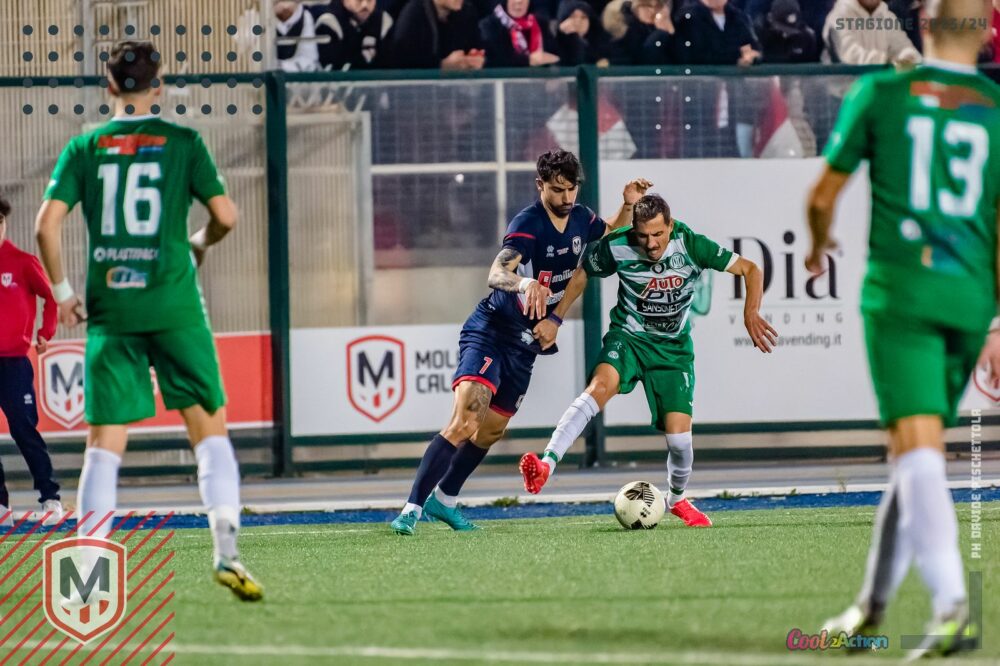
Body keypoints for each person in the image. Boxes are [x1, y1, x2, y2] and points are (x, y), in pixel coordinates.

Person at [35, 41, 262, 601]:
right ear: (159, 85)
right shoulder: (184, 142)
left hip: (113, 309)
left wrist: (62, 294)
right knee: (208, 429)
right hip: (174, 305)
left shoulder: (84, 147)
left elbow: (45, 225)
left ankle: (87, 577)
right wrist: (197, 243)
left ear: (109, 85)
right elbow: (226, 217)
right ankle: (227, 551)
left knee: (103, 443)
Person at [806, 0, 997, 656]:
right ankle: (871, 607)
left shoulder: (881, 93)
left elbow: (821, 196)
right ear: (988, 30)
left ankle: (952, 607)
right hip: (971, 299)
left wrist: (817, 245)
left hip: (903, 294)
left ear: (924, 24)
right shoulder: (996, 108)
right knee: (915, 451)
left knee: (917, 452)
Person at [389, 150, 651, 535]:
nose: (566, 197)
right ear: (540, 185)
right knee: (466, 419)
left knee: (490, 431)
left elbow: (609, 230)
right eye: (557, 190)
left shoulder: (581, 218)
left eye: (572, 189)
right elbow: (497, 272)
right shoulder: (527, 224)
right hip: (492, 331)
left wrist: (627, 206)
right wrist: (526, 283)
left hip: (525, 345)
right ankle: (411, 509)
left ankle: (444, 500)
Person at [519, 194, 776, 527]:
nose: (651, 244)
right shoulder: (618, 245)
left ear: (670, 225)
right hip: (628, 338)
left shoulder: (692, 245)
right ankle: (546, 465)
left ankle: (677, 500)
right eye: (643, 236)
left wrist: (750, 312)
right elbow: (583, 273)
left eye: (658, 234)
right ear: (634, 230)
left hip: (672, 351)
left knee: (679, 442)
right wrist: (555, 318)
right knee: (599, 387)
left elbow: (751, 269)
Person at [0, 196, 62, 528]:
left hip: (13, 363)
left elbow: (51, 298)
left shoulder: (22, 262)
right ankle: (1, 506)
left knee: (24, 429)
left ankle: (50, 497)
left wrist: (45, 332)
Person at [313, 0, 394, 70]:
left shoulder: (384, 20)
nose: (364, 5)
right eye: (359, 1)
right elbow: (329, 69)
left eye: (369, 0)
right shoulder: (328, 21)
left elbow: (389, 65)